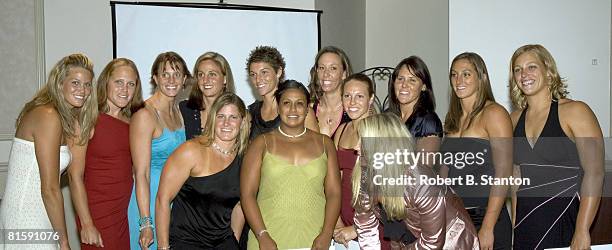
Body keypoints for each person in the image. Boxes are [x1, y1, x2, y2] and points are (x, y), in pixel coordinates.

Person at [509, 44, 604, 249]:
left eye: (531, 67)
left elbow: (595, 173)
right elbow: (516, 177)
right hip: (526, 224)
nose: (524, 74)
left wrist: (582, 230)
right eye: (518, 69)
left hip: (564, 221)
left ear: (548, 71)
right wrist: (516, 228)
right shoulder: (514, 119)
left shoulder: (576, 111)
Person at [0, 53, 98, 250]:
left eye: (87, 85)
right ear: (60, 83)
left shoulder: (62, 116)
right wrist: (63, 242)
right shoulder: (48, 115)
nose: (83, 90)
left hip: (39, 212)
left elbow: (74, 175)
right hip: (26, 216)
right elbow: (50, 188)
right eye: (75, 83)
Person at [352, 113, 479, 249]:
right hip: (410, 240)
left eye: (362, 140)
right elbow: (365, 226)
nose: (355, 146)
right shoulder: (366, 175)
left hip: (452, 241)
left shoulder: (421, 182)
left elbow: (432, 242)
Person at [241, 80, 341, 250]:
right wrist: (262, 235)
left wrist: (327, 232)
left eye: (299, 104)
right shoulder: (260, 143)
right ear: (278, 107)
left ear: (307, 108)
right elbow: (247, 195)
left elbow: (334, 193)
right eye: (286, 103)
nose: (293, 110)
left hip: (315, 240)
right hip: (268, 241)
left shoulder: (325, 143)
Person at [156, 93, 249, 249]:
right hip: (186, 241)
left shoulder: (245, 158)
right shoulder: (191, 151)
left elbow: (239, 206)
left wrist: (234, 242)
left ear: (242, 121)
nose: (226, 123)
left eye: (233, 117)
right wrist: (163, 247)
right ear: (213, 119)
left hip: (223, 241)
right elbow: (163, 199)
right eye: (221, 116)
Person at [440, 52, 513, 250]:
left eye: (466, 74)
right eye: (454, 75)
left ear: (481, 77)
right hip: (455, 220)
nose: (459, 80)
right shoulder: (452, 119)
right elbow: (445, 175)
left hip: (487, 218)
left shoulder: (495, 113)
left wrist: (488, 227)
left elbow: (504, 173)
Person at [68, 58, 143, 249]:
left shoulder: (134, 123)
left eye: (130, 84)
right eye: (119, 82)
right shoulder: (87, 119)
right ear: (105, 83)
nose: (124, 90)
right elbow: (74, 176)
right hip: (97, 213)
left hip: (124, 213)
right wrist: (86, 223)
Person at [127, 51, 190, 249]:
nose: (171, 80)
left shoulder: (180, 111)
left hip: (173, 202)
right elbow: (141, 173)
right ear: (155, 78)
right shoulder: (145, 114)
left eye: (176, 74)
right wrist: (146, 223)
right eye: (165, 74)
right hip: (149, 202)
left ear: (184, 79)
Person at [331, 73, 389, 249]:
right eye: (347, 96)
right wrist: (337, 221)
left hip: (373, 227)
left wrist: (357, 229)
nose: (352, 102)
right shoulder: (341, 130)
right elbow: (334, 181)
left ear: (371, 99)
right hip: (343, 225)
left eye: (359, 96)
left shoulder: (379, 131)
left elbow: (388, 191)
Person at [246, 45, 318, 141]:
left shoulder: (299, 110)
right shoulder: (252, 113)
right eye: (253, 74)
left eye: (264, 72)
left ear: (278, 72)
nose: (258, 79)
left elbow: (318, 148)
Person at [179, 52, 235, 140]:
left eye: (212, 74)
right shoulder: (184, 110)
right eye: (201, 74)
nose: (205, 80)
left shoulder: (237, 113)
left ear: (225, 79)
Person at [308, 46, 353, 137]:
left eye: (333, 68)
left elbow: (376, 147)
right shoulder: (308, 109)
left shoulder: (357, 109)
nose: (326, 74)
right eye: (321, 68)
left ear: (344, 74)